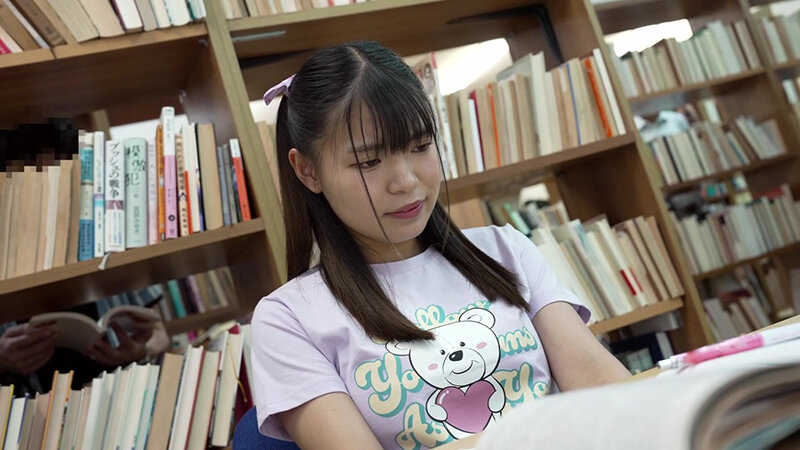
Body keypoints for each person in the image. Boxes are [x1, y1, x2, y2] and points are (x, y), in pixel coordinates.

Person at [251, 41, 632, 450]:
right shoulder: (289, 319)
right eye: (369, 162)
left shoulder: (505, 250)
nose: (406, 181)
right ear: (308, 171)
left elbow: (601, 384)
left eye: (420, 147)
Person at [0, 288, 171, 395]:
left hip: (123, 393)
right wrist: (3, 362)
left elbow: (160, 335)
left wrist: (142, 352)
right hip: (39, 411)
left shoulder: (113, 252)